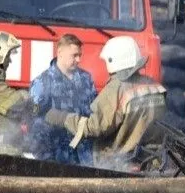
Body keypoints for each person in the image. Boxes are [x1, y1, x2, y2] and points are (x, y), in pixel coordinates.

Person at [44, 36, 167, 171]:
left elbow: (94, 127)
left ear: (113, 61)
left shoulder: (117, 88)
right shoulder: (154, 86)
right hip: (152, 161)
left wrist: (59, 117)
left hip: (120, 165)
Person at [28, 34, 97, 165]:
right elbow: (34, 121)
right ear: (60, 52)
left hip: (84, 158)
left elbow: (93, 111)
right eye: (74, 55)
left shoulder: (86, 79)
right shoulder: (42, 82)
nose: (78, 60)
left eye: (79, 55)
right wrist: (45, 158)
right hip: (56, 159)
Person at [0, 31, 33, 156]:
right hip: (2, 152)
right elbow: (15, 106)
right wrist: (26, 97)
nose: (10, 61)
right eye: (8, 56)